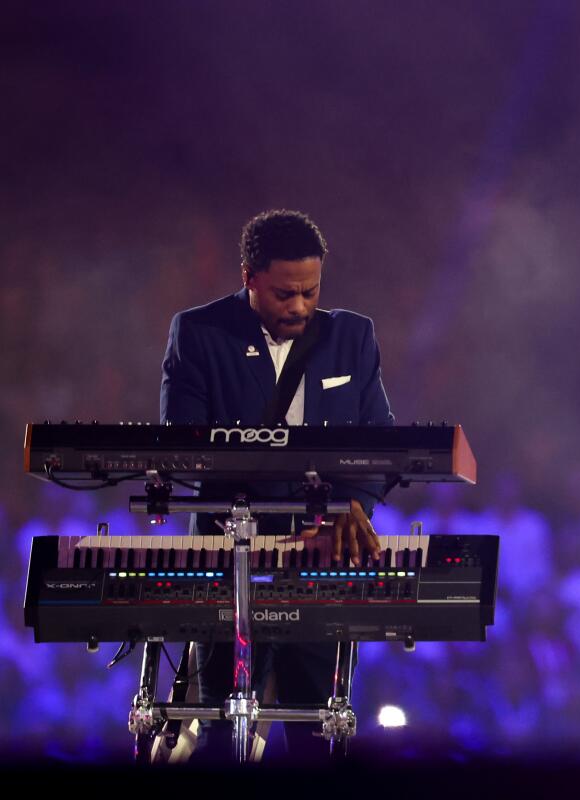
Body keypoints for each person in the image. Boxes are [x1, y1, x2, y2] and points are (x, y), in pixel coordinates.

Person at [160, 209, 394, 760]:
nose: (299, 307)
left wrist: (352, 507)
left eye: (310, 292)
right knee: (221, 724)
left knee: (318, 724)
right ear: (249, 277)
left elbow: (380, 444)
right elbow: (183, 449)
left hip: (321, 554)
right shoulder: (198, 333)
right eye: (285, 293)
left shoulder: (352, 336)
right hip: (228, 553)